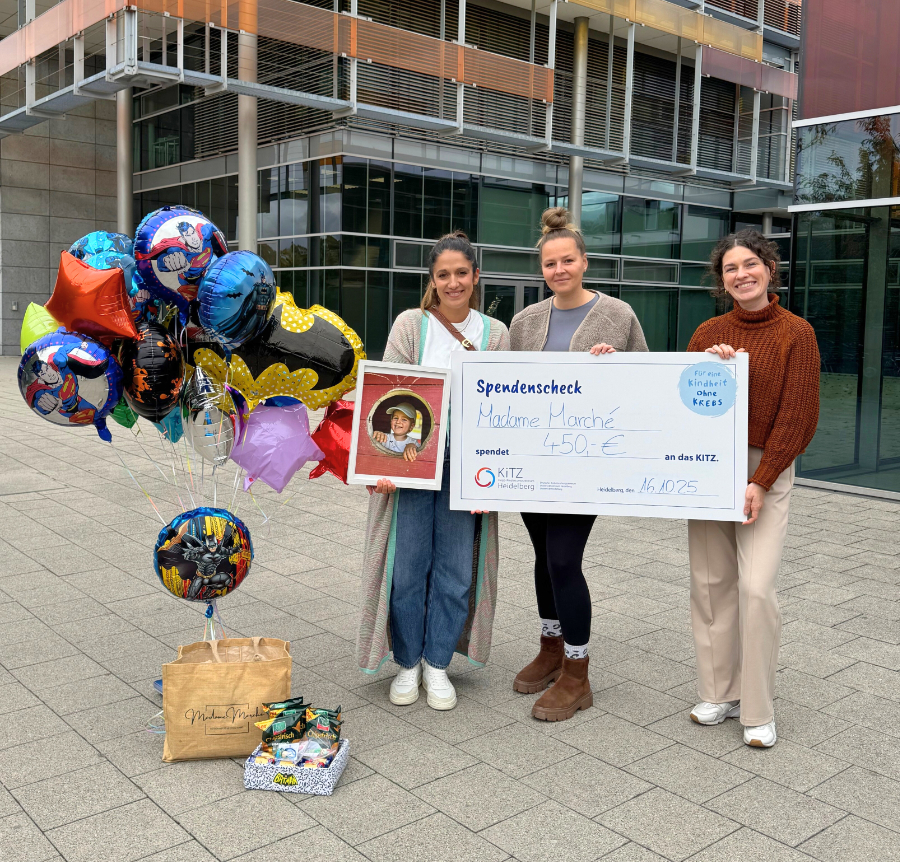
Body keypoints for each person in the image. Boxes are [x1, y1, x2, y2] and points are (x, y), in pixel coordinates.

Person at [357, 230, 510, 710]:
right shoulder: (411, 325)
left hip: (466, 467)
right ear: (432, 279)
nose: (453, 282)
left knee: (456, 570)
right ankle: (408, 661)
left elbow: (503, 410)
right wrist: (380, 464)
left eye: (461, 273)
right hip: (413, 463)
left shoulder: (496, 333)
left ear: (476, 276)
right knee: (407, 568)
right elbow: (390, 392)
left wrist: (492, 479)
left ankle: (438, 661)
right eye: (444, 274)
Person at [509, 207, 648, 721]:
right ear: (541, 269)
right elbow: (507, 386)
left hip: (585, 466)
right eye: (550, 263)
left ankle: (577, 670)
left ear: (585, 261)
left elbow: (644, 385)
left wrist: (616, 366)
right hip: (533, 462)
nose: (559, 269)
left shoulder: (619, 315)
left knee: (565, 560)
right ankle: (550, 646)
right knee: (543, 556)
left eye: (568, 260)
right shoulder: (525, 322)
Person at [686, 229, 819, 748]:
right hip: (710, 465)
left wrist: (761, 481)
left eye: (749, 264)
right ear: (721, 280)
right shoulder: (708, 332)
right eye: (730, 269)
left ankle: (758, 708)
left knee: (756, 588)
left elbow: (798, 415)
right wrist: (709, 367)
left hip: (767, 467)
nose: (741, 275)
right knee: (711, 582)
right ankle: (719, 691)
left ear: (769, 268)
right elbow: (683, 402)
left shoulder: (796, 333)